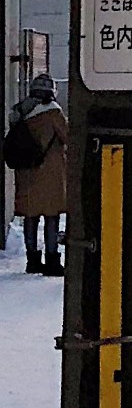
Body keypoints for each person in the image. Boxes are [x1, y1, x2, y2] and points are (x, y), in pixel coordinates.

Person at [8, 74, 67, 276]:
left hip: (26, 172)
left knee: (30, 217)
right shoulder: (52, 113)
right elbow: (67, 136)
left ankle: (32, 259)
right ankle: (52, 260)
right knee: (51, 216)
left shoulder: (20, 112)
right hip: (49, 173)